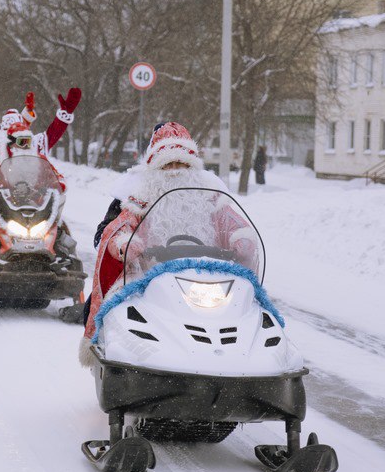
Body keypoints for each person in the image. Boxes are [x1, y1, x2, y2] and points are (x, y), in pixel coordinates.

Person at [81, 122, 259, 343]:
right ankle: (117, 349)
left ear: (191, 167)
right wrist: (126, 243)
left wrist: (241, 237)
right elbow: (117, 227)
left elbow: (230, 220)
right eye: (169, 165)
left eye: (182, 164)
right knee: (116, 307)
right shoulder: (140, 196)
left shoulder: (209, 195)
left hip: (210, 273)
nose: (175, 171)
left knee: (246, 309)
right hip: (149, 273)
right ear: (157, 168)